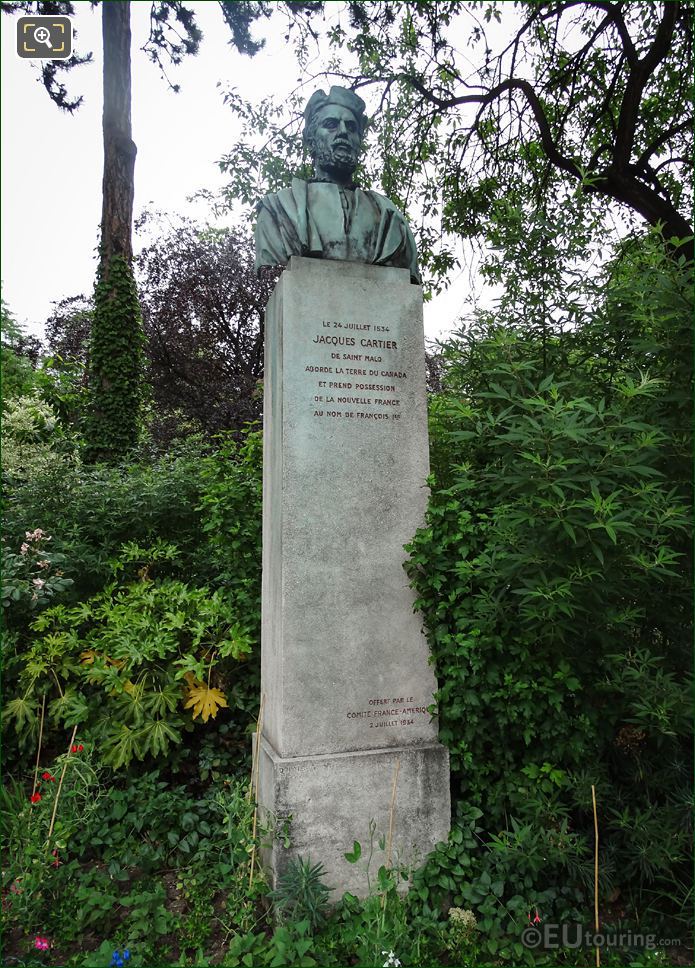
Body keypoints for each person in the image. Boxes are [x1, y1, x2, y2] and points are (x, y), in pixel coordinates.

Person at [255, 86, 420, 283]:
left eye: (351, 127)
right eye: (331, 124)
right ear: (310, 137)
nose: (343, 132)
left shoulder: (388, 215)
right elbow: (272, 274)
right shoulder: (278, 209)